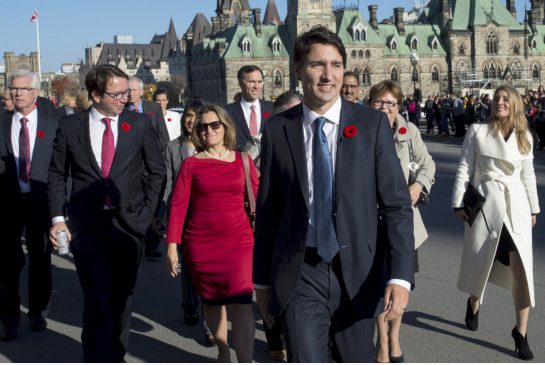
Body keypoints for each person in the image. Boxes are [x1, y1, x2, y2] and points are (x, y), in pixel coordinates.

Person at [253, 25, 414, 363]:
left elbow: (397, 206)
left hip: (358, 270)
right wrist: (262, 283)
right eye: (317, 65)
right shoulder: (278, 129)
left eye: (336, 65)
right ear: (298, 70)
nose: (328, 75)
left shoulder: (371, 125)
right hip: (301, 271)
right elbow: (268, 209)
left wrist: (400, 275)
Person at [47, 64, 166, 362]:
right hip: (87, 228)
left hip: (129, 227)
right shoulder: (71, 127)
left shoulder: (139, 124)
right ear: (96, 94)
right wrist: (58, 220)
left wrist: (146, 214)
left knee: (121, 300)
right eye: (116, 94)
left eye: (126, 92)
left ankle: (115, 354)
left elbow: (157, 171)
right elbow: (57, 174)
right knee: (96, 299)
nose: (123, 99)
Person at [452, 85, 539, 361]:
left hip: (516, 209)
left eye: (505, 99)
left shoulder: (525, 135)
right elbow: (465, 167)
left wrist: (534, 208)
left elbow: (528, 175)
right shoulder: (477, 131)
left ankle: (521, 332)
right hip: (487, 205)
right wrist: (457, 201)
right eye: (497, 99)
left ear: (514, 104)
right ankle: (474, 302)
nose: (499, 103)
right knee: (483, 262)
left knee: (521, 269)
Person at [166, 104, 258, 362]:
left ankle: (245, 360)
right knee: (212, 302)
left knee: (242, 303)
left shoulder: (243, 160)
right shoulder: (191, 165)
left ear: (225, 126)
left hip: (240, 242)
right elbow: (178, 207)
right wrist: (172, 245)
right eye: (202, 126)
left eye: (214, 124)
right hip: (201, 245)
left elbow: (260, 199)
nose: (208, 130)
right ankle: (223, 350)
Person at [369, 80, 436, 363]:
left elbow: (427, 164)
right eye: (379, 103)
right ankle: (382, 340)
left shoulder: (408, 131)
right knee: (375, 284)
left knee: (401, 282)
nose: (385, 109)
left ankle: (394, 333)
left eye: (391, 104)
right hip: (370, 222)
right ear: (369, 103)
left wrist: (419, 185)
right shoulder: (360, 131)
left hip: (404, 222)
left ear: (398, 107)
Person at [0, 70, 59, 341]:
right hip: (8, 203)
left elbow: (60, 168)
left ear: (36, 92)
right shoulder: (1, 123)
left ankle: (38, 311)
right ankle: (9, 318)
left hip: (40, 200)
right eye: (13, 88)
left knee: (40, 258)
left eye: (23, 88)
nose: (17, 93)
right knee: (7, 263)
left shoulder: (54, 123)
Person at [161, 98, 214, 346]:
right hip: (182, 214)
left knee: (207, 269)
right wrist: (167, 214)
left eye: (195, 116)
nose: (190, 120)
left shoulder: (212, 146)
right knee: (188, 267)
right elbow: (168, 183)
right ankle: (189, 304)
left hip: (207, 215)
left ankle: (209, 322)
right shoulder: (174, 147)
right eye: (187, 116)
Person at [126, 76, 168, 259]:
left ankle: (152, 245)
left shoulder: (152, 109)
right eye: (128, 90)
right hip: (131, 168)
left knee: (154, 205)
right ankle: (134, 242)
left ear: (142, 92)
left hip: (152, 167)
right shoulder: (122, 111)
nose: (130, 94)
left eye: (134, 90)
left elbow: (163, 136)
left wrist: (163, 162)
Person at [225, 65, 273, 151]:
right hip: (240, 162)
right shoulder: (227, 112)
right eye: (252, 82)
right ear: (240, 83)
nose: (256, 86)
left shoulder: (272, 109)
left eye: (259, 81)